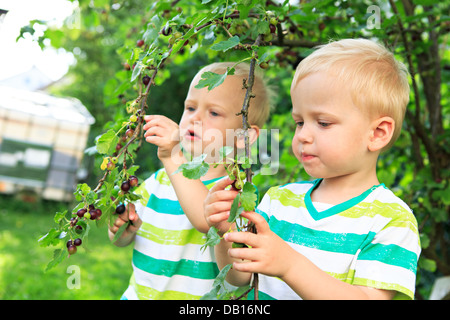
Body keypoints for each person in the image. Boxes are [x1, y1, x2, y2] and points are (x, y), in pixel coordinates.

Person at [204, 39, 421, 300]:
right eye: (299, 122)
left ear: (377, 133)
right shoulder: (279, 201)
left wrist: (290, 265)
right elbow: (239, 277)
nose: (303, 135)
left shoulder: (391, 219)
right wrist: (226, 233)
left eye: (323, 122)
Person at [108, 61, 274, 300]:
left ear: (243, 137)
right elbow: (123, 238)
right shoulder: (159, 181)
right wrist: (121, 230)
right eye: (190, 108)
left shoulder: (236, 194)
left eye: (214, 112)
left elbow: (206, 220)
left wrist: (172, 155)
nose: (195, 119)